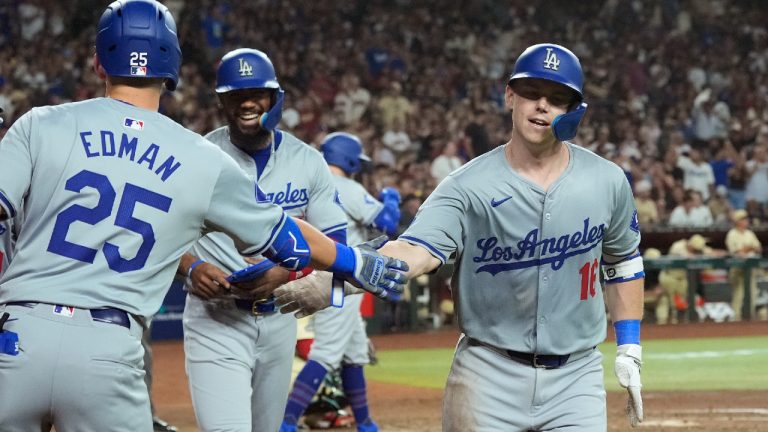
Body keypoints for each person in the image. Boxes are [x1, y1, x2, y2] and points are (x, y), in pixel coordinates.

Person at [0, 2, 408, 431]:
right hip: (108, 349)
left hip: (18, 339)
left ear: (99, 61)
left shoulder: (39, 124)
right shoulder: (200, 156)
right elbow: (288, 238)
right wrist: (357, 263)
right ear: (172, 64)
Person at [378, 43, 645, 430]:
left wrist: (630, 348)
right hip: (487, 374)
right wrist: (369, 263)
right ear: (509, 96)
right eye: (531, 93)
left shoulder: (607, 181)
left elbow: (623, 262)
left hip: (576, 376)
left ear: (574, 112)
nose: (542, 105)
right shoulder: (466, 185)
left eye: (557, 99)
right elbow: (420, 246)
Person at [180, 48, 348, 432]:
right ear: (221, 100)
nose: (248, 102)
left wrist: (285, 276)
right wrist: (191, 267)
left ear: (275, 98)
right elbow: (156, 234)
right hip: (215, 318)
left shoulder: (306, 160)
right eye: (236, 94)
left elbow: (334, 245)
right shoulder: (196, 157)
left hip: (279, 320)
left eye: (257, 93)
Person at [279, 132, 401, 432]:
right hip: (339, 282)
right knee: (326, 352)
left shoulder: (311, 181)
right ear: (348, 159)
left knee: (354, 354)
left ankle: (365, 422)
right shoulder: (346, 186)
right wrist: (391, 199)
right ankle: (286, 422)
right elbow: (388, 222)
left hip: (320, 274)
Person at [725, 209, 763, 320]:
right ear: (737, 221)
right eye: (743, 219)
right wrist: (749, 248)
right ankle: (736, 317)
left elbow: (758, 248)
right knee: (739, 293)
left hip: (750, 268)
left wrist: (748, 249)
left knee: (752, 293)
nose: (746, 221)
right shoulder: (732, 234)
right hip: (737, 268)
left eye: (746, 219)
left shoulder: (749, 233)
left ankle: (749, 318)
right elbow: (736, 252)